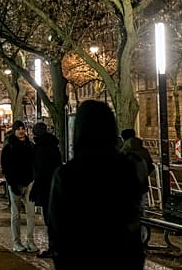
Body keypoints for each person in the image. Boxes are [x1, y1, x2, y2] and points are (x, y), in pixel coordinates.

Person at [47, 100, 144, 269]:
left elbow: (57, 226)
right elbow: (133, 217)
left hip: (79, 257)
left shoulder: (67, 174)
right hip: (121, 257)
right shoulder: (126, 169)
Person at [0, 119, 37, 253]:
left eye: (23, 128)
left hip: (29, 182)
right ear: (14, 131)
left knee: (31, 214)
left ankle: (30, 241)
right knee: (15, 215)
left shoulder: (30, 146)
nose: (21, 131)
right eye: (19, 129)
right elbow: (5, 167)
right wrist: (12, 183)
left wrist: (34, 180)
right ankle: (17, 242)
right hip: (15, 183)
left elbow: (35, 164)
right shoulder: (9, 146)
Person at [29, 122, 62, 258]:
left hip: (45, 187)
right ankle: (55, 247)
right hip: (54, 186)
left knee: (50, 219)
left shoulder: (41, 148)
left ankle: (54, 248)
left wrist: (35, 188)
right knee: (53, 218)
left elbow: (41, 171)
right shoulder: (53, 146)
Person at [120, 128, 154, 210]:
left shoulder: (123, 152)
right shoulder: (144, 151)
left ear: (123, 138)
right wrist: (144, 175)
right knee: (140, 207)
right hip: (142, 184)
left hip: (126, 186)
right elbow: (151, 166)